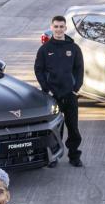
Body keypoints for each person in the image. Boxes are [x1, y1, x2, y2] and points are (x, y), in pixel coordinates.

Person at [33, 15, 85, 168]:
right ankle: (53, 156)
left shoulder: (74, 48)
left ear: (65, 28)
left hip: (70, 95)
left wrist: (76, 89)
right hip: (53, 96)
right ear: (51, 27)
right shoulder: (45, 49)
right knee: (54, 128)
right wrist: (46, 89)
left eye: (61, 26)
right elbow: (39, 70)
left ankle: (74, 155)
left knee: (73, 127)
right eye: (56, 26)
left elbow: (79, 69)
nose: (58, 29)